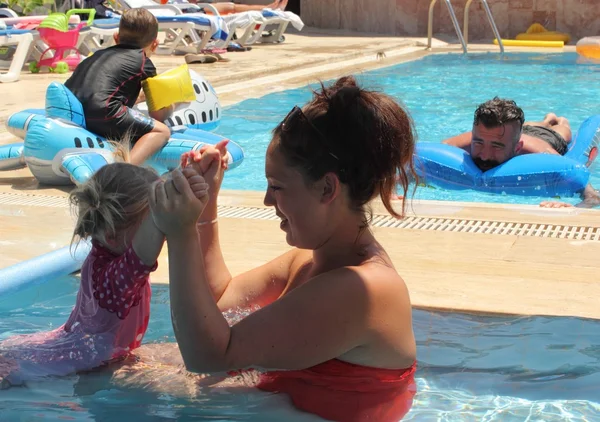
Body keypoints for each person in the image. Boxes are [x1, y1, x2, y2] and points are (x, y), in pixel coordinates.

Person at [147, 76, 418, 422]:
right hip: (282, 405)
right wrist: (205, 206)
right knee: (123, 362)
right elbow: (220, 300)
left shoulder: (364, 290)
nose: (266, 200)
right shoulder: (309, 261)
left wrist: (180, 232)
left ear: (326, 189)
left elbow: (207, 357)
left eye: (277, 186)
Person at [0, 161, 205, 388]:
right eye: (156, 220)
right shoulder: (115, 278)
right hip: (69, 363)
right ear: (112, 235)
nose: (166, 224)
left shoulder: (106, 256)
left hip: (64, 346)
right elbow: (145, 250)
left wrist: (188, 183)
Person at [442, 97, 600, 208]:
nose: (485, 155)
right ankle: (544, 121)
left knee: (562, 132)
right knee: (528, 127)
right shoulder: (476, 138)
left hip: (548, 139)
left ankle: (556, 121)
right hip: (514, 133)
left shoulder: (542, 152)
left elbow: (590, 194)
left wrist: (573, 207)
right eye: (478, 143)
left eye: (496, 147)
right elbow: (437, 150)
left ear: (518, 148)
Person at [65, 8, 173, 166]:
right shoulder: (143, 62)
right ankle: (124, 169)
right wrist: (172, 105)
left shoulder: (97, 54)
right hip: (103, 114)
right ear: (154, 45)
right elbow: (158, 114)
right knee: (162, 131)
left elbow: (102, 91)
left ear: (116, 38)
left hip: (73, 112)